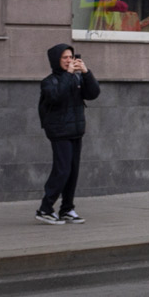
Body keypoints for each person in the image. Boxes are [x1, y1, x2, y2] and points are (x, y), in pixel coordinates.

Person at [36, 43, 100, 224]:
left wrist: (86, 73)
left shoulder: (76, 78)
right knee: (62, 170)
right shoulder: (49, 81)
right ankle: (45, 209)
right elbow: (56, 96)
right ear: (56, 60)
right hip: (59, 131)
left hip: (76, 131)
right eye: (64, 57)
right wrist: (69, 74)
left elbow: (93, 93)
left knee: (72, 172)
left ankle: (67, 209)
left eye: (71, 57)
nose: (69, 60)